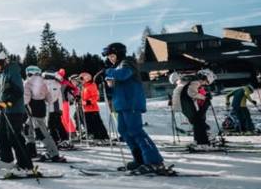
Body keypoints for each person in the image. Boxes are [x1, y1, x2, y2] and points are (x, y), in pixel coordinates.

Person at [103, 42, 168, 174]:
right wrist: (109, 85)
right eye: (109, 56)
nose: (110, 58)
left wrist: (108, 71)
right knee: (124, 131)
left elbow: (124, 74)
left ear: (119, 53)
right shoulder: (116, 68)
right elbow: (117, 85)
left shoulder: (128, 62)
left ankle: (155, 162)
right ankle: (140, 159)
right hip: (122, 104)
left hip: (131, 102)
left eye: (112, 55)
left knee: (135, 131)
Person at [0, 46, 35, 172]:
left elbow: (18, 91)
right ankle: (6, 160)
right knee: (1, 136)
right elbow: (3, 94)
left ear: (0, 60)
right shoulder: (1, 75)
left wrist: (6, 103)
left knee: (15, 138)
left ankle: (26, 165)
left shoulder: (12, 70)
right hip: (6, 111)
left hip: (15, 111)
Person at [24, 66, 64, 162]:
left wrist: (23, 105)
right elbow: (50, 99)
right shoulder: (43, 83)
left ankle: (54, 154)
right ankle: (31, 152)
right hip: (40, 108)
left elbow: (25, 99)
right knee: (28, 129)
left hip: (31, 109)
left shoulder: (27, 83)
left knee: (40, 132)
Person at [173, 69, 216, 146]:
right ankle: (202, 142)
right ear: (204, 78)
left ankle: (199, 140)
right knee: (197, 121)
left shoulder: (191, 79)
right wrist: (204, 97)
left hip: (181, 101)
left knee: (196, 121)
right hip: (183, 101)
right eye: (206, 82)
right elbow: (191, 93)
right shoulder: (196, 81)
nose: (205, 84)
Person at [79, 72, 109, 140]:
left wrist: (88, 102)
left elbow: (95, 96)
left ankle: (104, 137)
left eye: (82, 79)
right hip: (86, 109)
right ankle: (95, 137)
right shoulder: (84, 87)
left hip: (93, 109)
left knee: (97, 123)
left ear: (87, 78)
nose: (81, 81)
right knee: (90, 125)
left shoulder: (92, 85)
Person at [42, 70, 70, 146]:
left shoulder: (53, 84)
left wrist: (44, 99)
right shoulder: (50, 83)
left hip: (55, 108)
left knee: (53, 124)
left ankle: (59, 140)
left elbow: (52, 97)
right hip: (53, 108)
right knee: (55, 124)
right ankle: (60, 139)